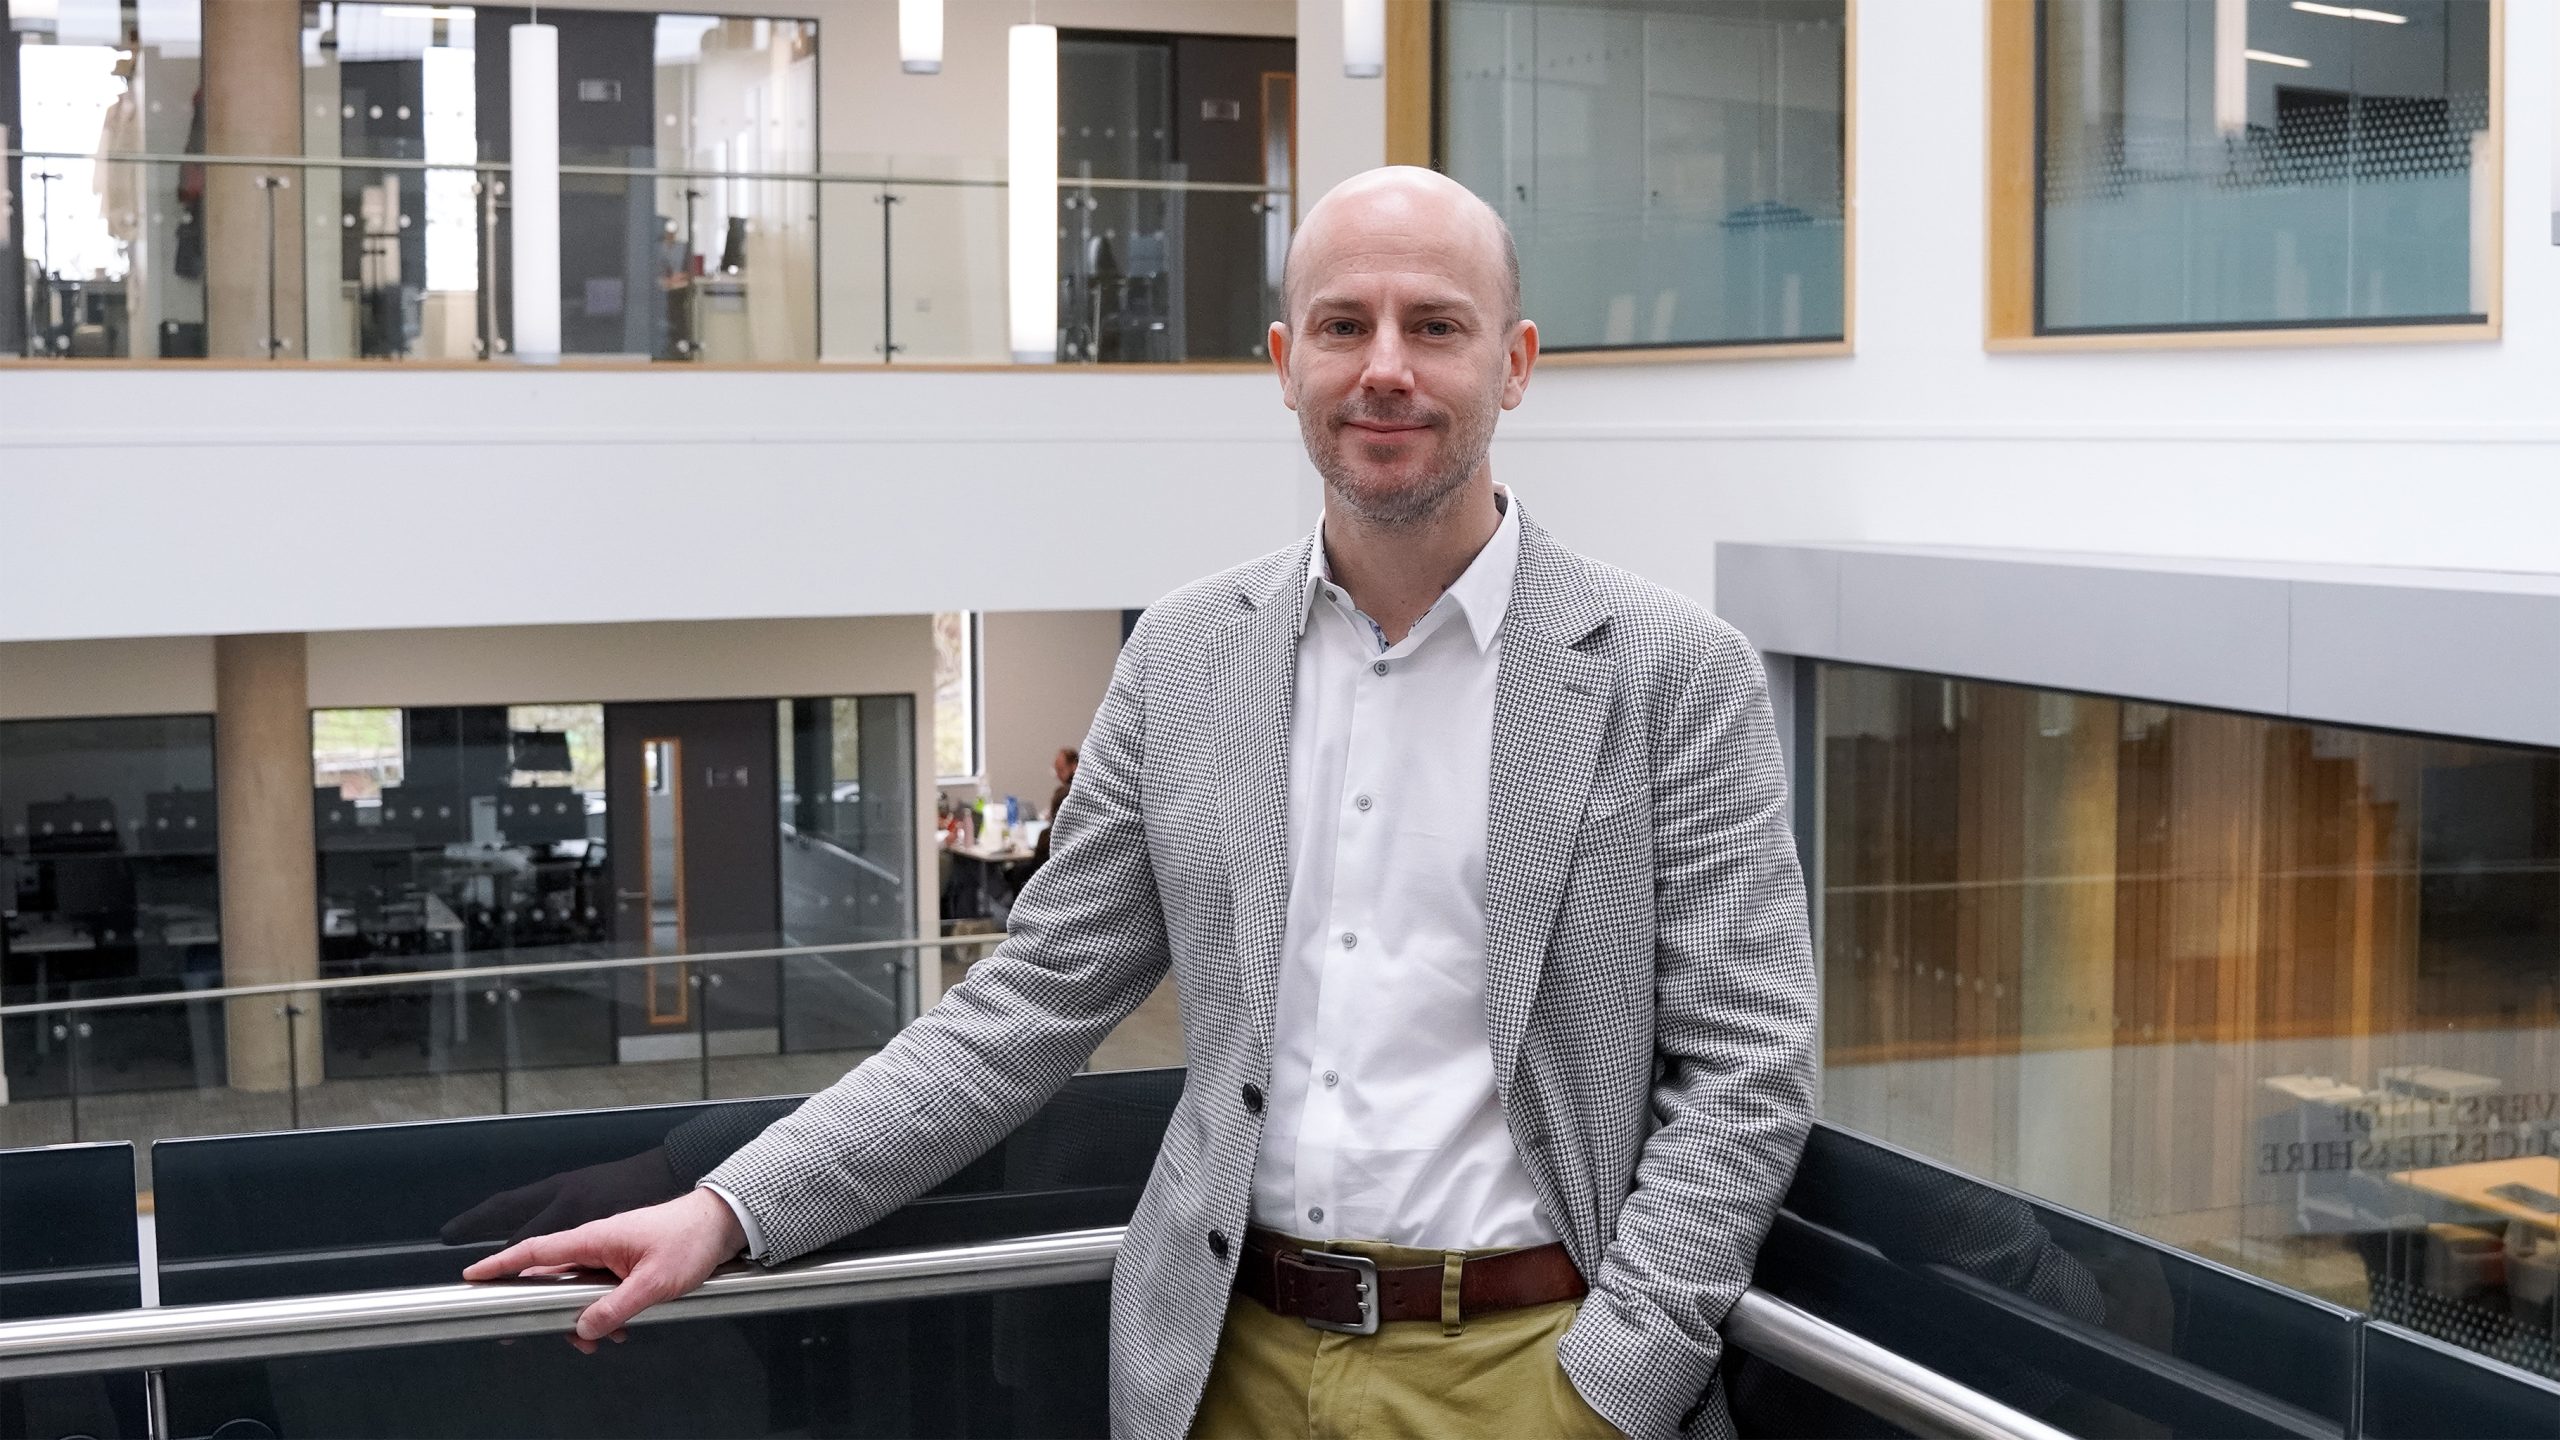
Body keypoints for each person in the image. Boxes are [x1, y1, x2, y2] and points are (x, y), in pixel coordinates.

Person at [464, 165, 1817, 1440]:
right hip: (1221, 1363)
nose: (1385, 367)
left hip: (1531, 1371)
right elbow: (1023, 1006)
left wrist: (1617, 1383)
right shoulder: (1182, 658)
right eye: (1343, 325)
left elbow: (1748, 1062)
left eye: (1435, 326)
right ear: (1285, 364)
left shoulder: (1670, 673)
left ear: (1512, 365)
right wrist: (729, 1208)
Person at [1028, 745, 1079, 870]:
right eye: (1056, 769)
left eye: (1061, 769)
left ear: (1074, 766)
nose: (1057, 775)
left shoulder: (1069, 794)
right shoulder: (1066, 791)